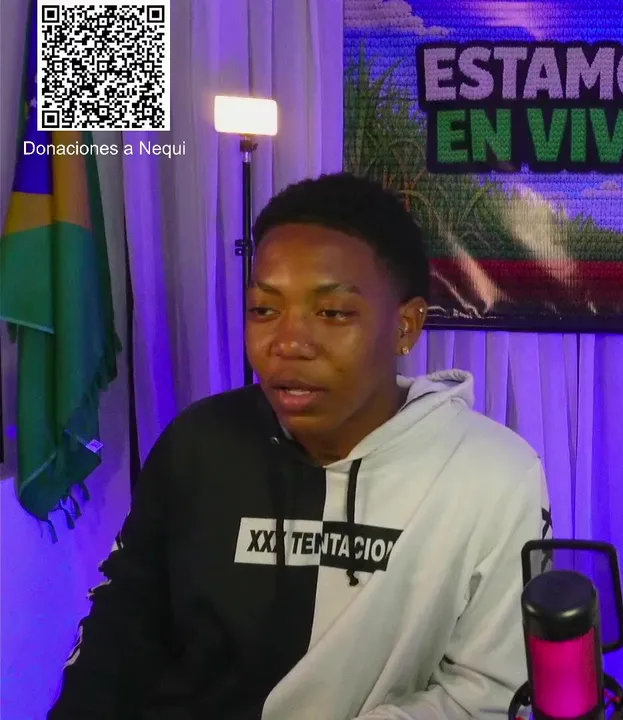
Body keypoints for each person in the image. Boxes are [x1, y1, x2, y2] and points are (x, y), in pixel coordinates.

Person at [50, 173, 551, 719]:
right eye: (264, 310)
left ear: (406, 326)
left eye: (332, 313)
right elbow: (122, 624)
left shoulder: (493, 474)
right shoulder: (198, 443)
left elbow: (489, 691)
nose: (287, 343)